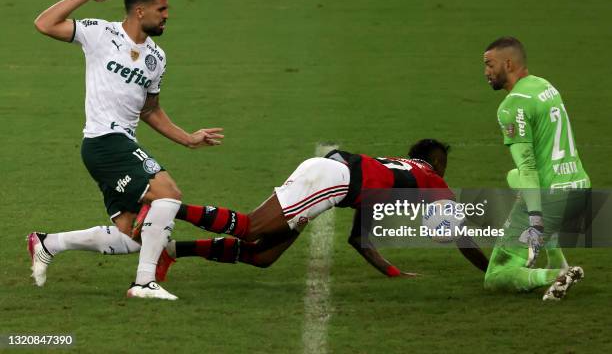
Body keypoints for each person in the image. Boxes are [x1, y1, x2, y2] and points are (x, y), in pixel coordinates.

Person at [28, 0, 223, 300]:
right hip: (104, 142)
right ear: (140, 10)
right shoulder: (99, 33)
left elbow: (150, 111)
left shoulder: (156, 58)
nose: (166, 16)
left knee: (134, 236)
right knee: (168, 193)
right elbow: (44, 24)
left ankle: (48, 243)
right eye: (161, 10)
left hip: (120, 145)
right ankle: (144, 283)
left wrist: (188, 138)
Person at [146, 139, 489, 280]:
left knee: (265, 256)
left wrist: (392, 272)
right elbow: (459, 237)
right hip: (332, 179)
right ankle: (162, 207)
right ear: (437, 162)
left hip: (333, 177)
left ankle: (173, 250)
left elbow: (360, 240)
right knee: (251, 228)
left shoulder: (395, 176)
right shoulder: (431, 179)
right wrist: (490, 271)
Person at [483, 36, 591, 300]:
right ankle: (559, 262)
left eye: (489, 65)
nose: (486, 72)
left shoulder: (511, 106)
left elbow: (529, 168)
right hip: (579, 187)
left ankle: (555, 275)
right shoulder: (544, 86)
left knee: (496, 275)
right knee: (513, 178)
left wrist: (535, 222)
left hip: (551, 197)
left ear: (508, 64)